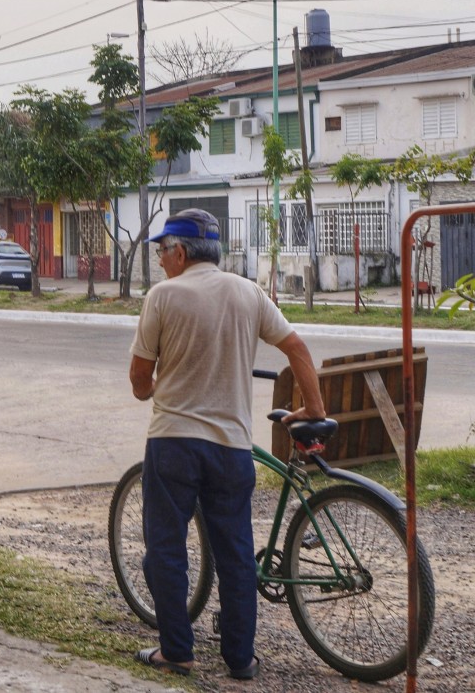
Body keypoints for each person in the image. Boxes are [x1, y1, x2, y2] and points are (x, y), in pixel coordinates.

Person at [128, 208, 327, 679]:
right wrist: (314, 409)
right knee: (236, 553)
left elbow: (139, 381)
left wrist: (158, 385)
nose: (159, 261)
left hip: (174, 444)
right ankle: (240, 659)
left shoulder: (164, 296)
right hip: (232, 447)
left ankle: (177, 650)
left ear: (179, 253)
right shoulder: (248, 292)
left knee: (166, 549)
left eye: (161, 251)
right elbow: (296, 348)